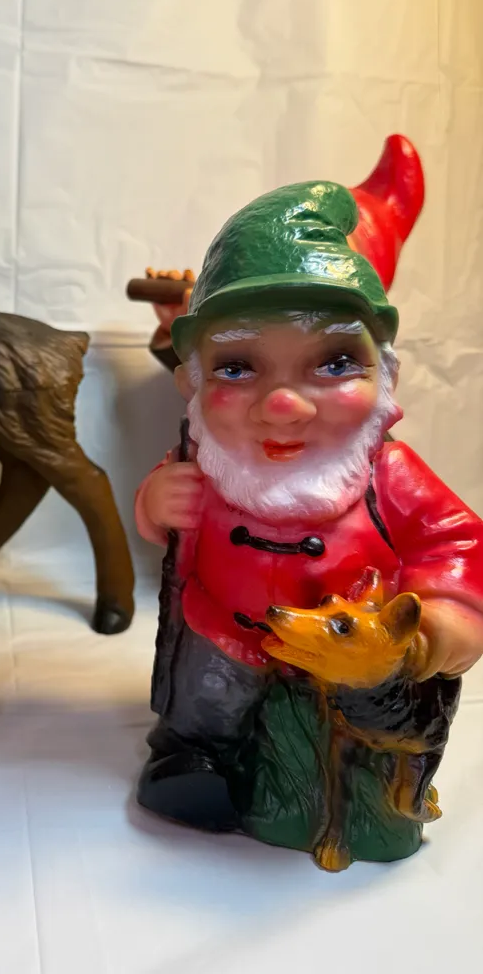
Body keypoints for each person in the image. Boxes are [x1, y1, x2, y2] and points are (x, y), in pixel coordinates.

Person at [133, 179, 483, 831]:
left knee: (349, 737)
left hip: (343, 658)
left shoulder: (391, 475)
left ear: (387, 373)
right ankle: (194, 757)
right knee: (207, 697)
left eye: (335, 362)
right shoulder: (206, 458)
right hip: (224, 628)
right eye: (238, 368)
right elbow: (163, 524)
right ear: (192, 382)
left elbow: (453, 542)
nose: (284, 405)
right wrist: (156, 502)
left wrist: (441, 621)